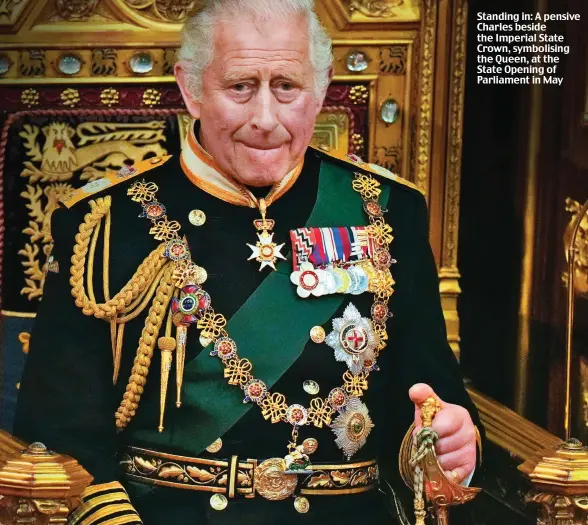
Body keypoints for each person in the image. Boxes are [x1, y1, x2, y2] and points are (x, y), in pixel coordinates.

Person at [14, 1, 482, 524]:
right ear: (190, 88)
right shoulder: (104, 222)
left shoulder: (387, 209)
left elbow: (432, 397)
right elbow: (58, 430)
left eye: (287, 86)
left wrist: (450, 444)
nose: (265, 118)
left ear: (322, 88)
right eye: (240, 87)